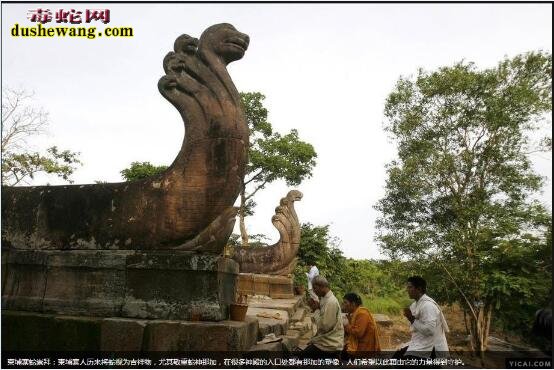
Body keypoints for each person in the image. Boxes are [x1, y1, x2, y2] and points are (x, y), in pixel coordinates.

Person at [395, 276, 449, 359]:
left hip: (431, 347)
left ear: (419, 289)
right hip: (420, 344)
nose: (407, 290)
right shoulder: (414, 305)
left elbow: (429, 330)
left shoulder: (428, 306)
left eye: (410, 287)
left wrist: (412, 319)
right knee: (396, 357)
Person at [304, 275, 344, 354]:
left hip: (330, 344)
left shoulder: (331, 302)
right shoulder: (324, 298)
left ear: (322, 287)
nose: (314, 291)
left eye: (315, 288)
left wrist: (316, 310)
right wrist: (317, 307)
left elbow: (325, 326)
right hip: (325, 340)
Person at [342, 292, 381, 357]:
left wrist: (346, 325)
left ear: (353, 304)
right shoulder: (356, 313)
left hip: (364, 349)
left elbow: (358, 333)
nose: (344, 305)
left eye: (345, 303)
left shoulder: (362, 314)